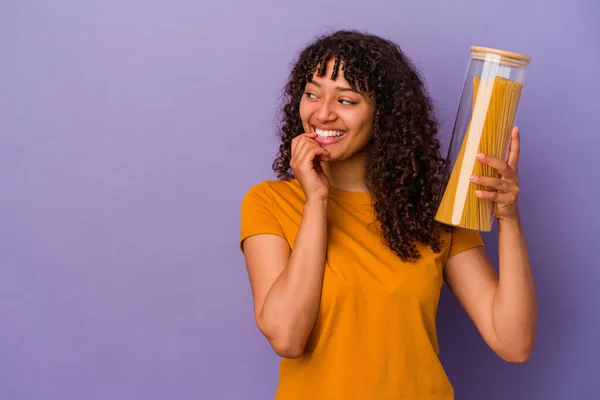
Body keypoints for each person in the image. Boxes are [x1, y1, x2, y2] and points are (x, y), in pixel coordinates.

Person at [239, 30, 537, 400]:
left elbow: (513, 342)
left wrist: (508, 217)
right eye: (312, 93)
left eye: (346, 100)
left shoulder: (430, 210)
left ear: (385, 114)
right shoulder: (269, 202)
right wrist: (316, 200)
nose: (323, 113)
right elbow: (286, 336)